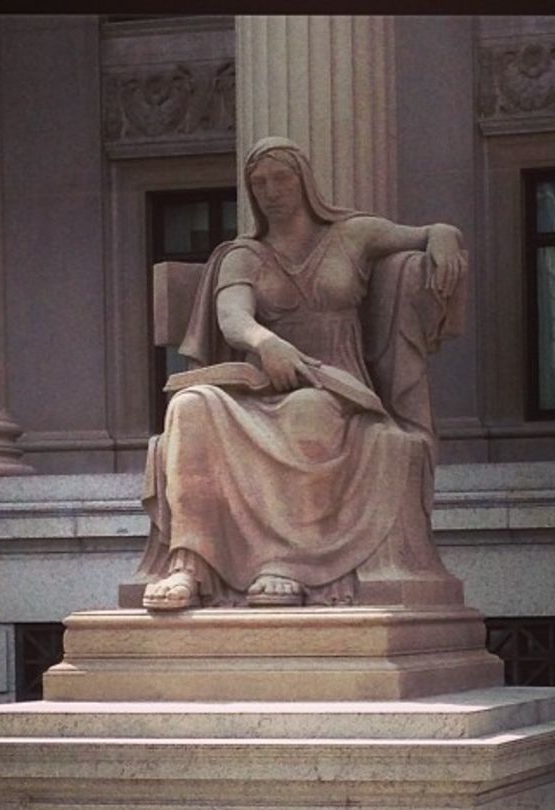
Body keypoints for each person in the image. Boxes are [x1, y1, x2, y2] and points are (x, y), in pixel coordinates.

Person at [139, 136, 468, 611]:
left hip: (337, 385)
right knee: (191, 407)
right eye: (259, 183)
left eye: (280, 178)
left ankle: (285, 564)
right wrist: (265, 343)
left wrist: (444, 235)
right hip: (260, 385)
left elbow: (423, 234)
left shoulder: (353, 235)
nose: (270, 191)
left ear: (304, 181)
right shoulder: (244, 255)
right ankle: (190, 565)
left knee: (307, 413)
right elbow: (233, 317)